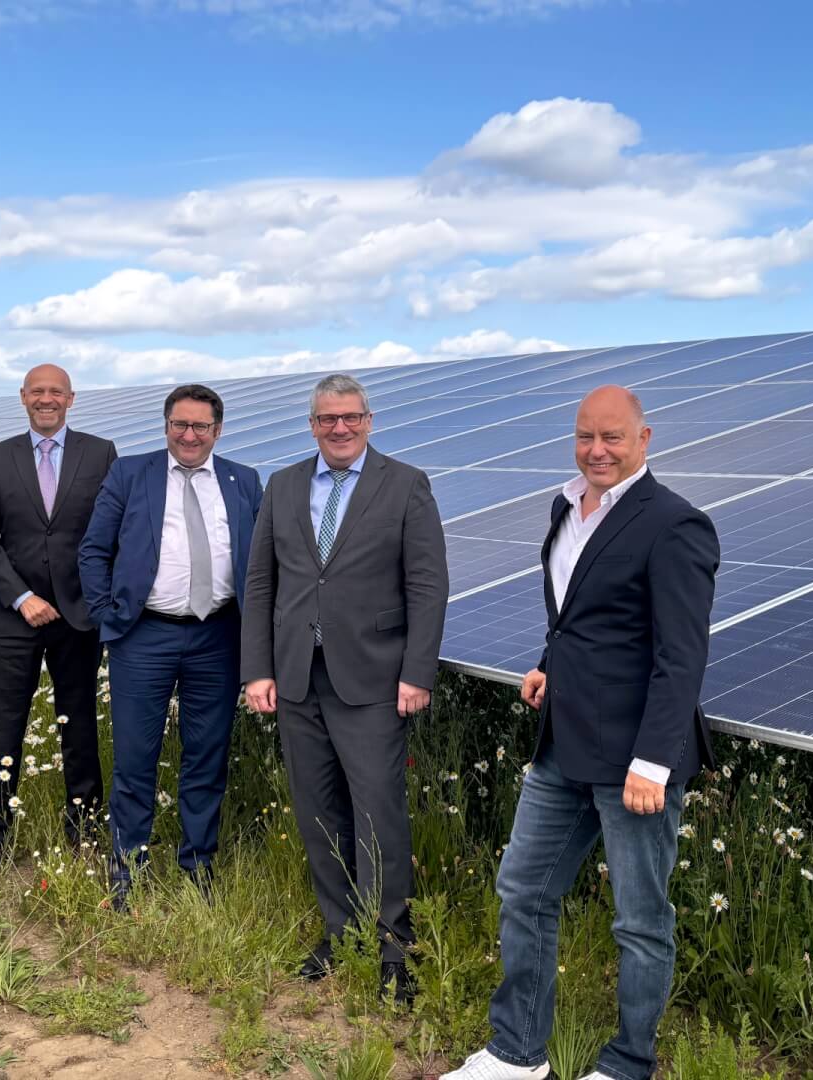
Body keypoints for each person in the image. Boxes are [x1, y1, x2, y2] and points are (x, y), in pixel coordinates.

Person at [442, 385, 719, 1080]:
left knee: (639, 919)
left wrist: (653, 761)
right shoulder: (565, 507)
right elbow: (576, 618)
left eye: (612, 437)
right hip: (563, 742)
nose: (597, 450)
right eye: (585, 436)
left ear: (644, 439)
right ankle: (517, 1054)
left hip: (634, 759)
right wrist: (549, 664)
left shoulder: (675, 524)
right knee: (523, 889)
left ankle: (629, 1062)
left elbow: (681, 656)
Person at [242, 372, 448, 1005]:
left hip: (375, 678)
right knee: (316, 811)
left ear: (368, 421)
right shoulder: (283, 485)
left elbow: (427, 585)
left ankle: (393, 946)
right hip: (296, 675)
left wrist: (417, 672)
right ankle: (341, 933)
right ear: (312, 425)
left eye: (351, 417)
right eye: (327, 418)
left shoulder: (405, 484)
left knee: (377, 813)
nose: (340, 427)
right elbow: (261, 582)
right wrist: (258, 669)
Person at [78, 384, 263, 910]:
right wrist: (108, 616)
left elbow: (263, 560)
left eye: (200, 426)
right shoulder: (130, 474)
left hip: (218, 636)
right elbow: (93, 551)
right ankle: (127, 869)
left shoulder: (244, 481)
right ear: (166, 426)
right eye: (180, 424)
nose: (189, 435)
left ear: (217, 430)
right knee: (135, 757)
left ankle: (198, 867)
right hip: (144, 635)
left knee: (207, 757)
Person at [0, 364, 117, 878]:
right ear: (23, 397)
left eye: (56, 392)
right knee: (3, 724)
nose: (46, 399)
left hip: (78, 616)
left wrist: (101, 599)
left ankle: (84, 831)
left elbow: (111, 530)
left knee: (80, 725)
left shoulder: (101, 453)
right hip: (13, 618)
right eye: (37, 391)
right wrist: (22, 596)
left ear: (71, 398)